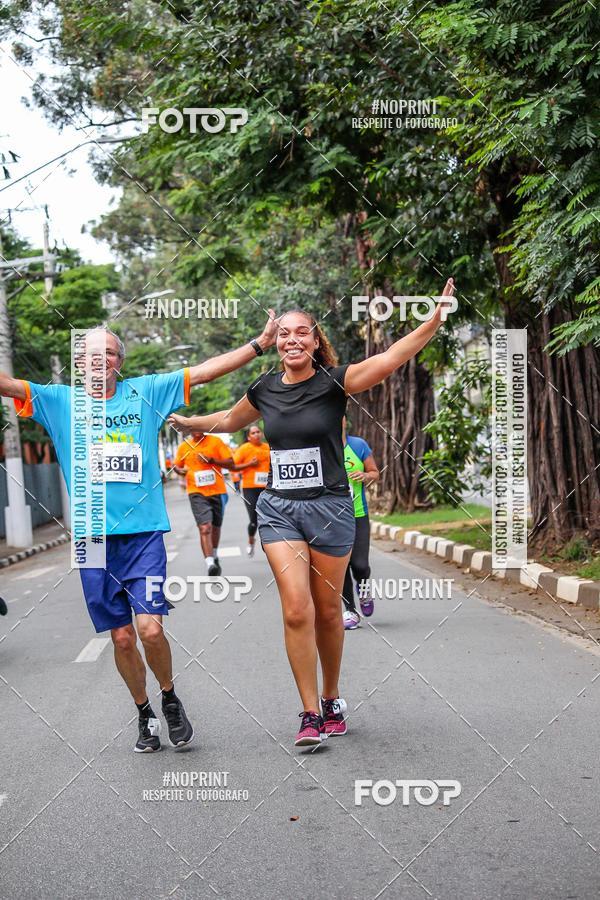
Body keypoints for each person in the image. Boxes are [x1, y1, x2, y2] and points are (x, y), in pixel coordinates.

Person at [170, 279, 455, 747]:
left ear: (314, 340)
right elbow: (227, 420)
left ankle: (331, 697)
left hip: (331, 508)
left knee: (327, 612)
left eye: (302, 332)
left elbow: (390, 359)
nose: (292, 339)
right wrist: (188, 422)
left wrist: (432, 321)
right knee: (297, 608)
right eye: (284, 333)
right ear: (276, 343)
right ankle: (307, 713)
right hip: (280, 509)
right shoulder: (264, 389)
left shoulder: (334, 382)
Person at [0, 313, 277, 752]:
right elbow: (9, 385)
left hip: (144, 533)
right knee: (122, 636)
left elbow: (205, 370)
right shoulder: (59, 401)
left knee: (149, 629)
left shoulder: (145, 392)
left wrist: (259, 345)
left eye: (107, 353)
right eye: (91, 355)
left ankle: (169, 696)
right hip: (92, 540)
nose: (99, 361)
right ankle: (144, 711)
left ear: (118, 361)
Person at [173, 431, 256, 575]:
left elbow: (231, 463)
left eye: (198, 425)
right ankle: (210, 563)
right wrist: (179, 471)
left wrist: (212, 460)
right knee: (205, 527)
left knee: (216, 527)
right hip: (196, 492)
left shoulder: (215, 442)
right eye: (192, 427)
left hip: (217, 491)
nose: (195, 429)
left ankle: (215, 554)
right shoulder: (184, 447)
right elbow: (178, 467)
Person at [340, 417, 380, 630]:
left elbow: (375, 473)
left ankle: (364, 591)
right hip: (331, 519)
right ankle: (350, 610)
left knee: (360, 565)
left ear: (346, 421)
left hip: (358, 514)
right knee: (341, 565)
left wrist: (365, 475)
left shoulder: (358, 445)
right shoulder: (320, 447)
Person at [234, 425, 270, 557]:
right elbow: (233, 466)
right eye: (253, 433)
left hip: (268, 488)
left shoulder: (267, 447)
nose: (256, 434)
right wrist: (249, 464)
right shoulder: (244, 449)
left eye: (258, 432)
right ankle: (251, 541)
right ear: (249, 437)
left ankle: (269, 545)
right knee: (254, 519)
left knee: (269, 518)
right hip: (250, 488)